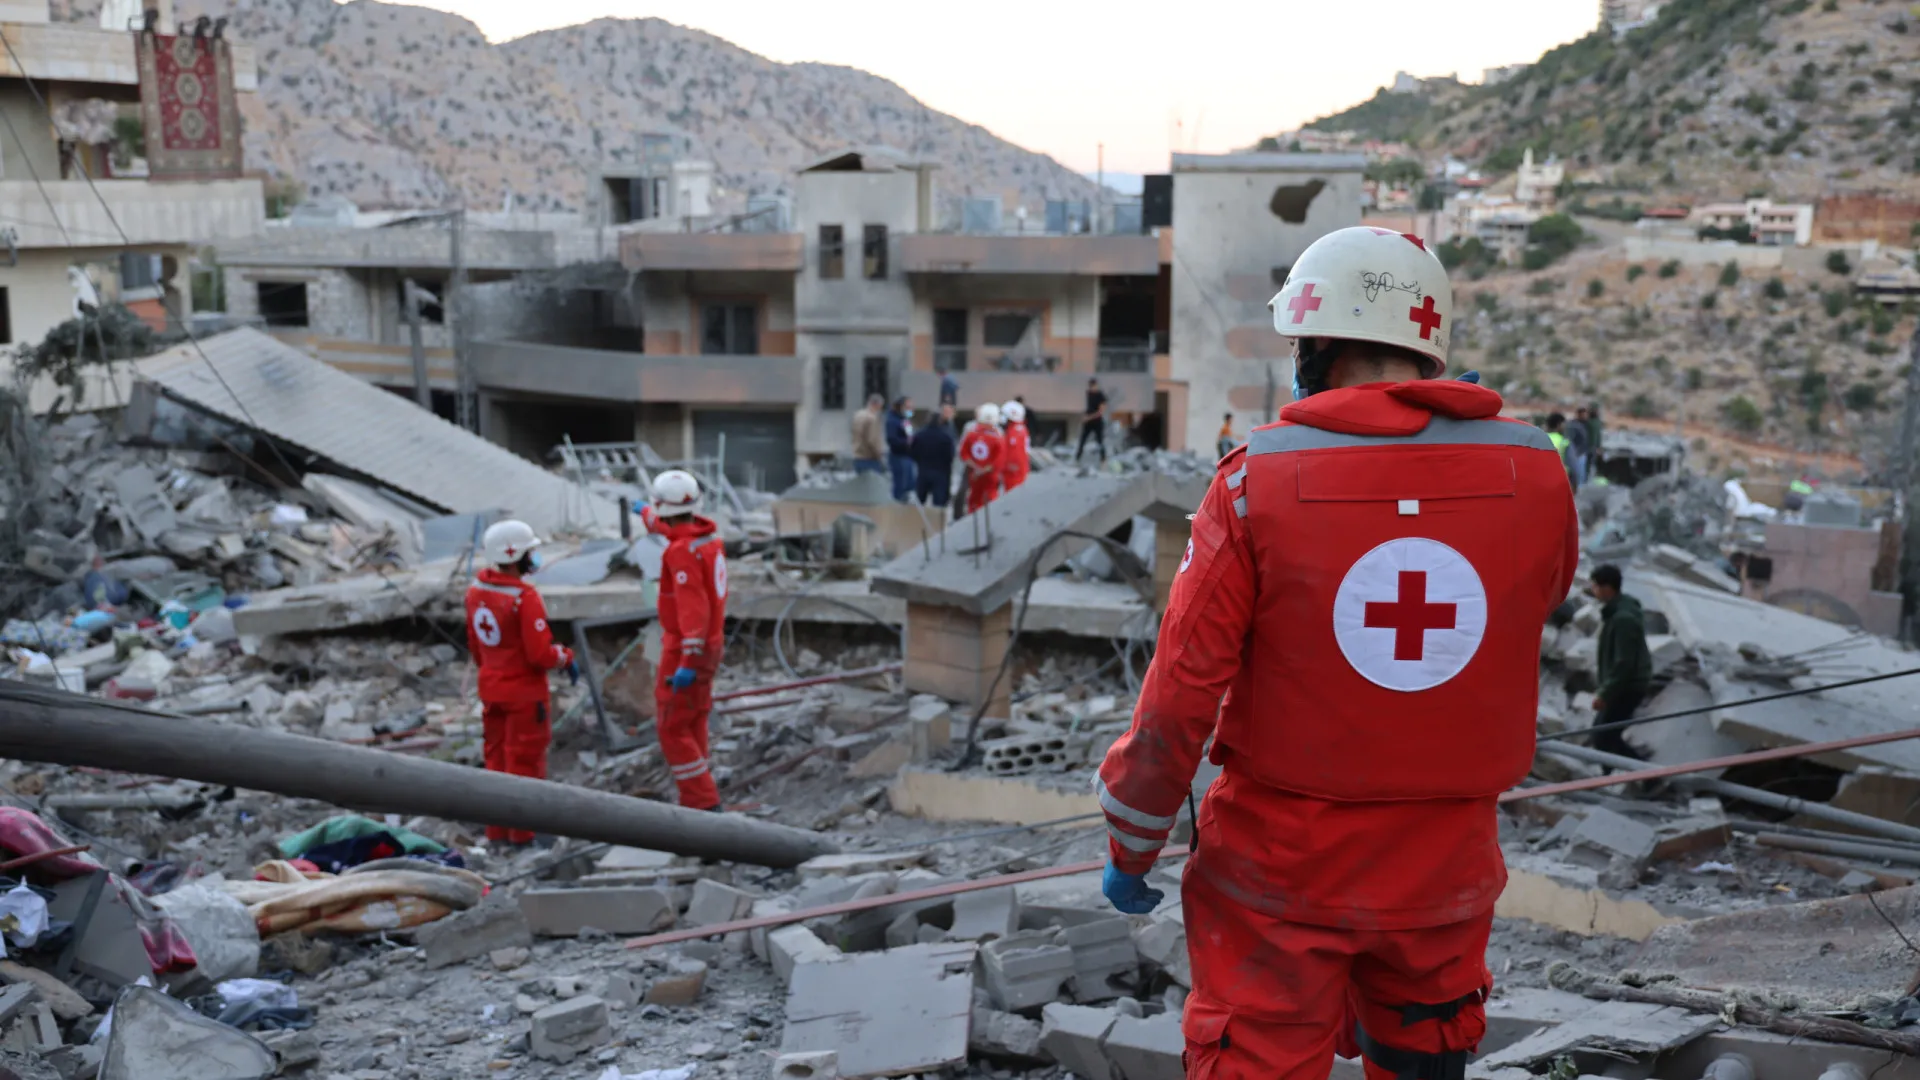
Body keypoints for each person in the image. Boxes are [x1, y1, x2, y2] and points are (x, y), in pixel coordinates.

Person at [1094, 226, 1579, 1080]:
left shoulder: (1253, 482)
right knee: (1425, 1053)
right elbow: (1528, 608)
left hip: (1280, 876)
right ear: (1427, 344)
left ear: (1315, 346)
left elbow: (1179, 696)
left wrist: (1133, 842)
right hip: (1446, 872)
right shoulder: (1537, 472)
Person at [465, 519, 576, 845]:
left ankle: (497, 831)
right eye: (530, 552)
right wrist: (565, 658)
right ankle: (526, 835)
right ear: (516, 556)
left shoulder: (476, 591)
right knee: (525, 760)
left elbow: (475, 645)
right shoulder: (523, 597)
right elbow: (540, 654)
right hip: (524, 694)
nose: (534, 557)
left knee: (496, 758)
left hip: (491, 687)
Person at [639, 470, 728, 811]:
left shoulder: (680, 553)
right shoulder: (706, 540)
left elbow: (694, 610)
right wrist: (646, 515)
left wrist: (687, 660)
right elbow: (672, 526)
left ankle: (703, 803)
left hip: (686, 647)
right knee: (694, 719)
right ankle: (701, 798)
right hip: (711, 643)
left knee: (672, 727)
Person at [1588, 564, 1652, 763]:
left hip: (1627, 687)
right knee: (1604, 734)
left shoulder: (1623, 619)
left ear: (1607, 588)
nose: (1593, 590)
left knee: (1603, 737)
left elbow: (1624, 662)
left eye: (1595, 586)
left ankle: (1645, 772)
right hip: (1623, 685)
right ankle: (1619, 771)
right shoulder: (1619, 609)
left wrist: (1605, 693)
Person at [959, 402, 1005, 514]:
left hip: (974, 475)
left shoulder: (971, 434)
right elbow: (999, 461)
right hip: (990, 477)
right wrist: (983, 470)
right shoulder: (998, 438)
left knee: (973, 503)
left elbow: (963, 454)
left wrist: (976, 468)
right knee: (991, 504)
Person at [911, 402, 958, 511]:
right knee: (939, 504)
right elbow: (950, 455)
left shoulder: (919, 435)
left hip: (923, 470)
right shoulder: (945, 437)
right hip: (941, 473)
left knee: (920, 502)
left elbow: (913, 451)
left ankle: (916, 519)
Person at [886, 396, 917, 503]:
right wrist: (907, 442)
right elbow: (892, 439)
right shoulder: (893, 421)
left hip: (908, 456)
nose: (910, 410)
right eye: (908, 407)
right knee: (900, 485)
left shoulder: (905, 420)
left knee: (910, 485)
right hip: (898, 456)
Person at [851, 394, 886, 476]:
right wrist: (879, 455)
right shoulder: (872, 418)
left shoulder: (857, 415)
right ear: (876, 405)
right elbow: (872, 440)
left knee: (861, 483)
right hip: (870, 458)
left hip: (857, 457)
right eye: (880, 406)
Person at [1001, 400, 1031, 493]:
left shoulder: (1015, 431)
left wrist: (1009, 465)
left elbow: (1015, 451)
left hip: (1014, 471)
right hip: (1019, 468)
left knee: (1012, 492)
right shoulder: (1020, 428)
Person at [1076, 377, 1108, 463]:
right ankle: (1077, 458)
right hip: (1088, 421)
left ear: (1096, 386)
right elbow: (1087, 407)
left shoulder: (1101, 396)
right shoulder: (1088, 394)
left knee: (1100, 441)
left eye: (1093, 386)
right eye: (1090, 386)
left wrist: (1089, 417)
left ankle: (1103, 459)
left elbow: (1100, 412)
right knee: (1082, 440)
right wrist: (1084, 416)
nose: (1091, 388)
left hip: (1097, 421)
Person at [1565, 407, 1590, 491]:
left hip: (1582, 452)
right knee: (1577, 475)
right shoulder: (1574, 425)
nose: (1585, 416)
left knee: (1581, 475)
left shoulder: (1585, 424)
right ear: (1579, 414)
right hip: (1576, 454)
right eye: (1583, 415)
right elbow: (1570, 440)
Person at [1584, 403, 1603, 482]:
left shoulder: (1597, 421)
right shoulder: (1587, 421)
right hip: (1586, 446)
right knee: (1586, 464)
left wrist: (1599, 447)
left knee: (1592, 464)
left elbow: (1598, 435)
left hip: (1593, 447)